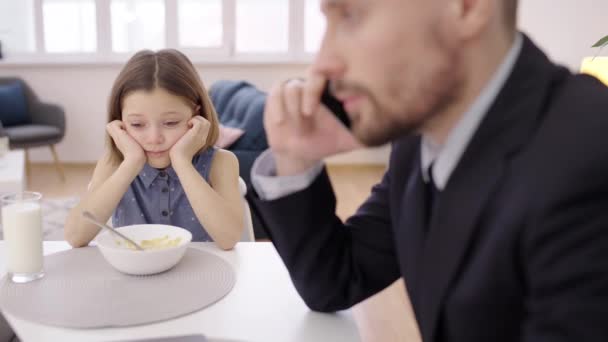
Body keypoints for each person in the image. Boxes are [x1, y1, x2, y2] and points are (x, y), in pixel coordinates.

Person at [249, 0, 608, 341]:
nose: (322, 64)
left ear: (466, 7)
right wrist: (296, 159)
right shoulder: (421, 139)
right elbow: (336, 280)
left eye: (352, 14)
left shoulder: (590, 161)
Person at [65, 49, 244, 250]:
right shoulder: (114, 163)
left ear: (196, 116)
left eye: (170, 122)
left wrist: (182, 162)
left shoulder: (221, 163)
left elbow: (229, 238)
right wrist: (131, 162)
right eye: (137, 125)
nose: (154, 139)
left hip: (202, 275)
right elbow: (75, 236)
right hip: (136, 276)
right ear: (120, 122)